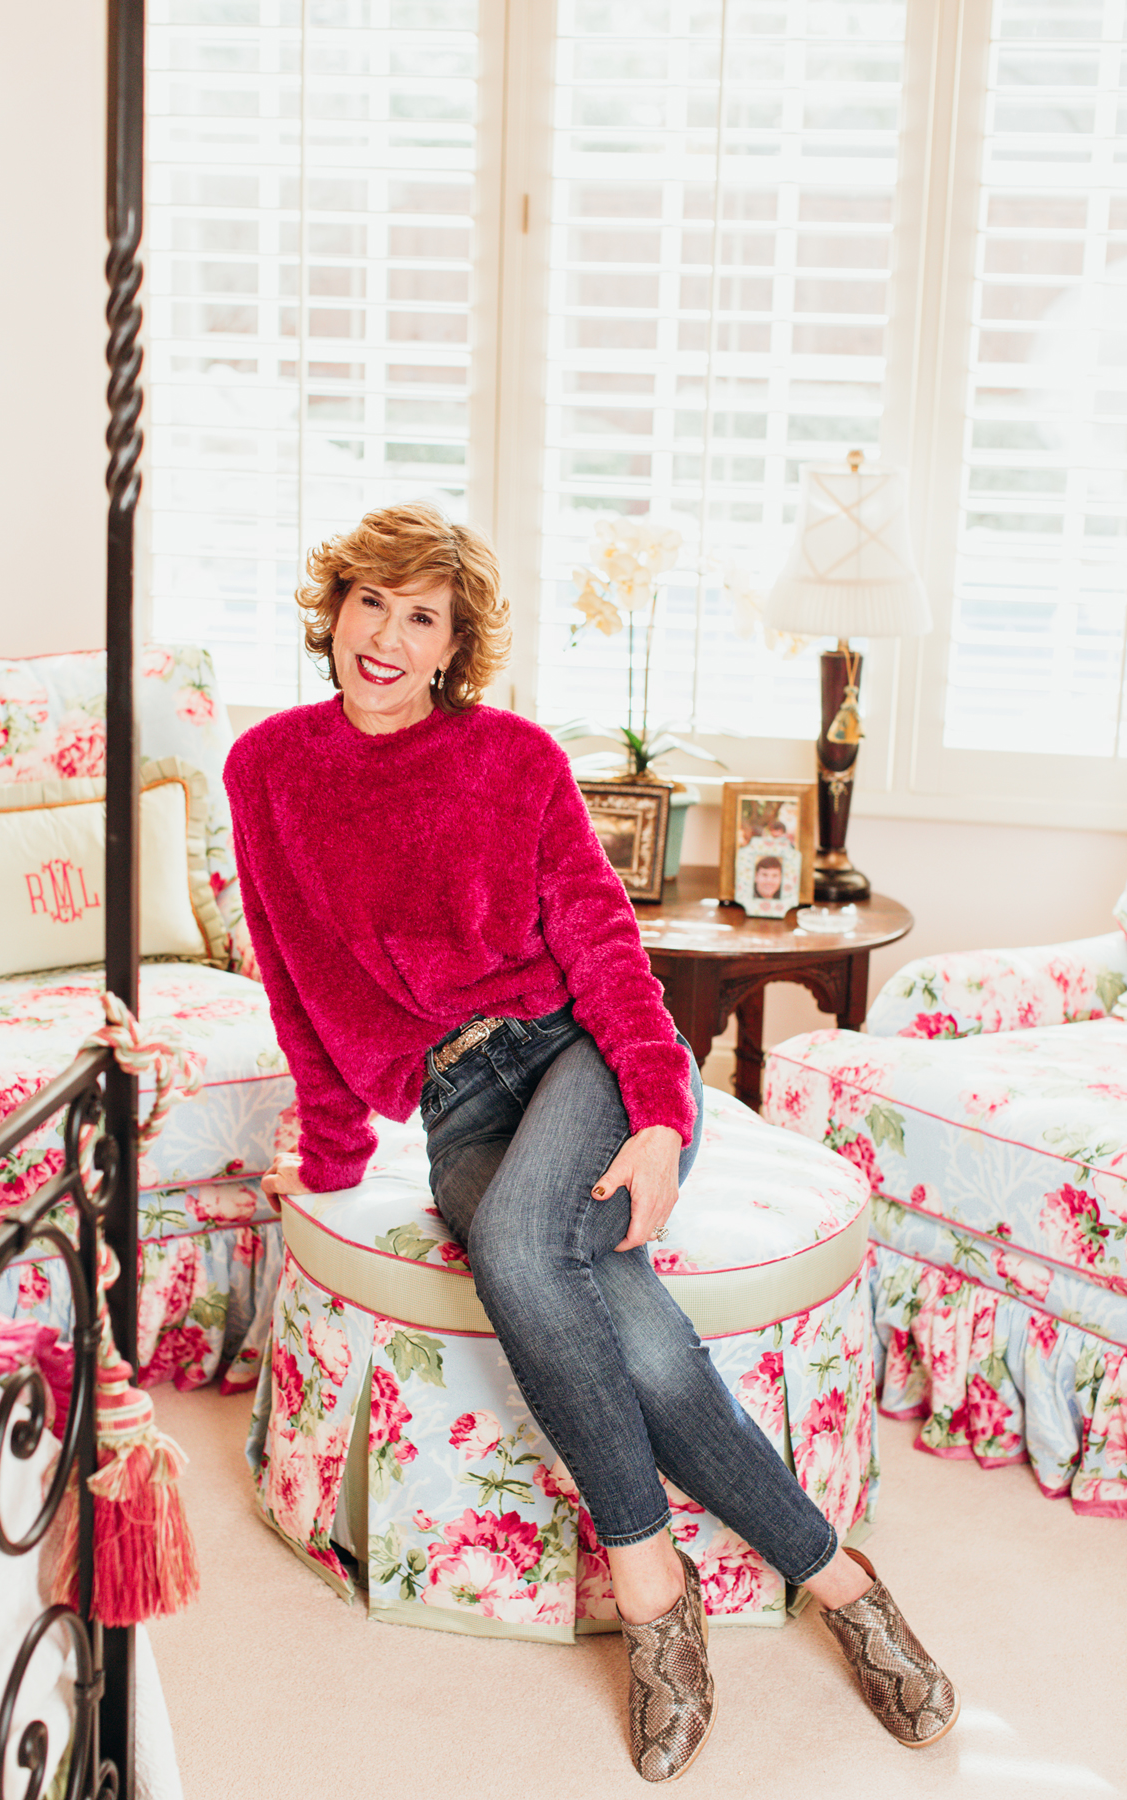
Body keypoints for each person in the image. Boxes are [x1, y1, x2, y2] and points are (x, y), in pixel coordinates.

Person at [224, 503, 957, 1783]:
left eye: (423, 618)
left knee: (514, 1240)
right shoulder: (268, 769)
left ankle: (650, 1594)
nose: (388, 639)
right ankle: (844, 1585)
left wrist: (664, 1119)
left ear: (454, 646)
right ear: (332, 609)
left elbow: (610, 945)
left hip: (575, 1058)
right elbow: (293, 978)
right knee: (641, 1342)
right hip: (457, 1109)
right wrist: (334, 1154)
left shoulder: (510, 757)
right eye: (370, 604)